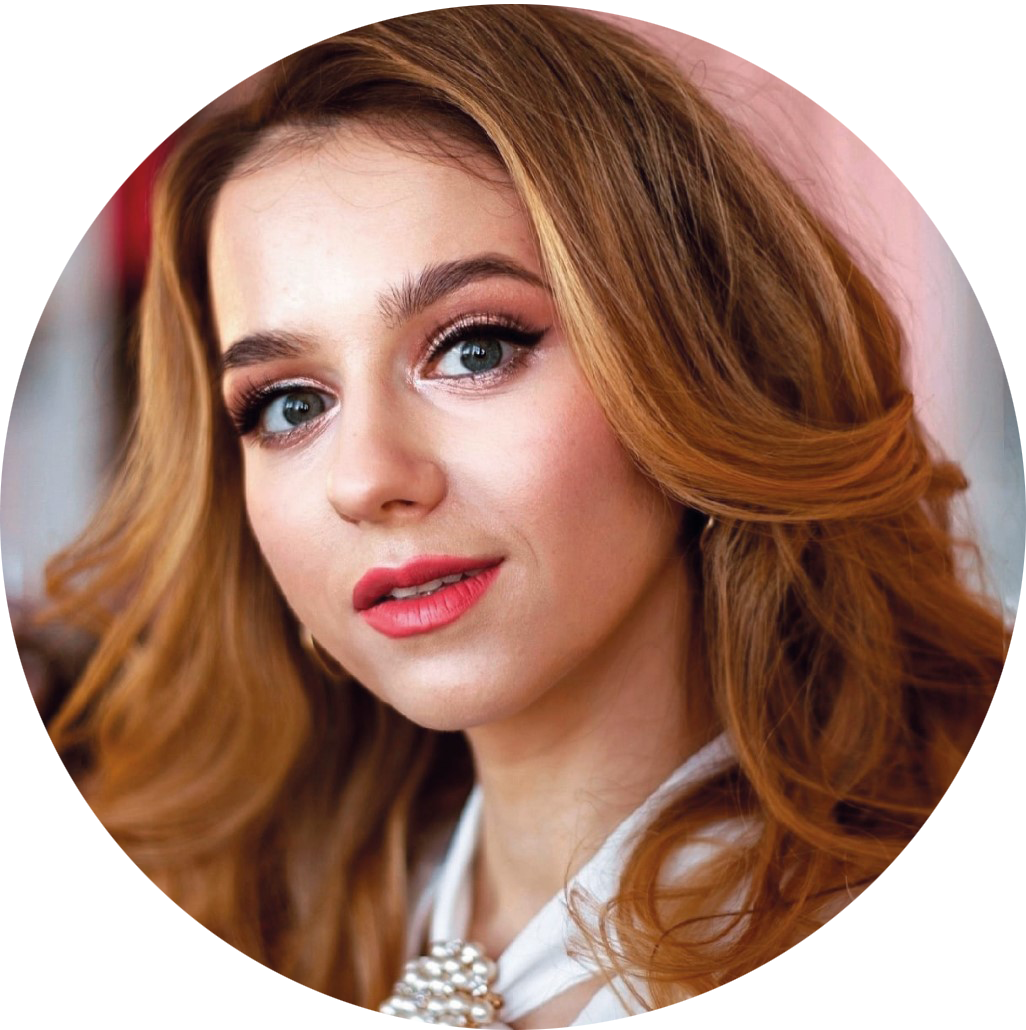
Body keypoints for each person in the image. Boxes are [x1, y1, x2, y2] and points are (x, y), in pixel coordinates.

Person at [27, 5, 1026, 1029]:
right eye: (289, 406)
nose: (365, 479)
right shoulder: (270, 947)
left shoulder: (910, 996)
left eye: (475, 348)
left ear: (698, 365)